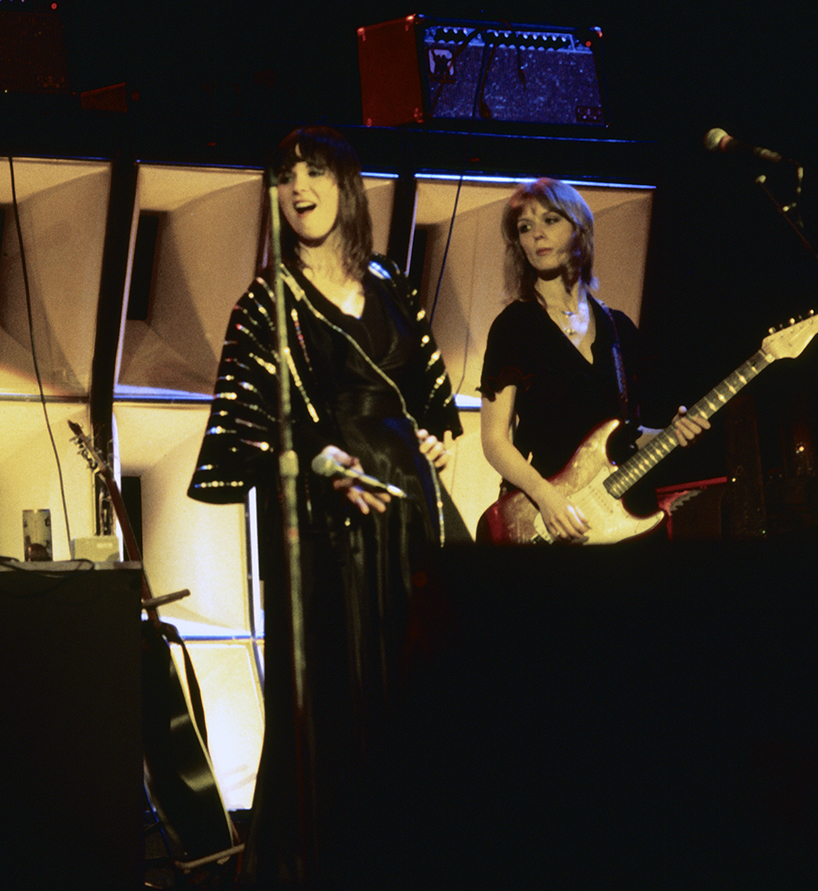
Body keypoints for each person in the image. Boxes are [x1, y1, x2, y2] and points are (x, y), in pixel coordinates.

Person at [187, 126, 465, 886]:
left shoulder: (393, 282)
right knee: (341, 692)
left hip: (410, 505)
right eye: (284, 175)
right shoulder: (265, 301)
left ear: (346, 184)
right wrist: (323, 460)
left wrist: (434, 439)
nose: (298, 188)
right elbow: (253, 420)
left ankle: (424, 844)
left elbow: (432, 396)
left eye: (313, 171)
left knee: (431, 672)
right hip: (330, 520)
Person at [479, 177, 709, 542]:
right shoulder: (514, 326)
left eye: (550, 221)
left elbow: (629, 436)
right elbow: (494, 440)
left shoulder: (618, 328)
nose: (536, 234)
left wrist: (672, 434)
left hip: (615, 517)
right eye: (525, 227)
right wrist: (546, 496)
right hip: (544, 517)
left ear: (580, 230)